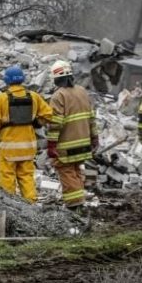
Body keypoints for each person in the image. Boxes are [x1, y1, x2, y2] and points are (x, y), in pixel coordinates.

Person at [0, 65, 52, 203]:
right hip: (28, 147)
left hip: (8, 148)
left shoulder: (1, 99)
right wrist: (37, 123)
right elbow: (48, 114)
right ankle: (31, 206)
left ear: (6, 80)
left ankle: (9, 205)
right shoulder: (34, 96)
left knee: (7, 177)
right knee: (26, 177)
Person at [47, 60, 98, 209]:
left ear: (56, 78)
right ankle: (79, 200)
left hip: (66, 145)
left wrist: (51, 145)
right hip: (83, 143)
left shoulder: (58, 95)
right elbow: (91, 118)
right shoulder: (82, 91)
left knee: (66, 171)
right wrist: (95, 138)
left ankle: (75, 206)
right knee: (76, 171)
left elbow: (55, 123)